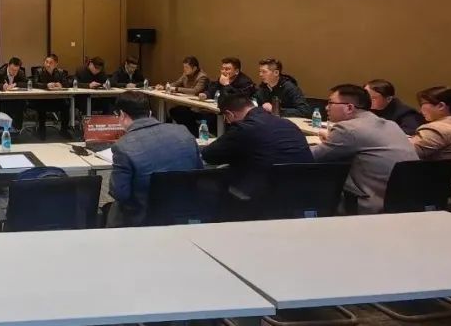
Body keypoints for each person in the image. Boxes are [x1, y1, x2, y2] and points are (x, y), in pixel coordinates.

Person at [312, 84, 418, 214]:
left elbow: (312, 156)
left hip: (369, 204)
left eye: (330, 103)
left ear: (349, 107)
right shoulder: (391, 125)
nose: (326, 107)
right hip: (407, 202)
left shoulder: (348, 129)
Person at [202, 89, 313, 205]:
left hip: (268, 198)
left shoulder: (243, 128)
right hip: (306, 192)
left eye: (227, 118)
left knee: (211, 177)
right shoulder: (288, 123)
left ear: (230, 114)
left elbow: (209, 155)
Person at [108, 91, 202, 227]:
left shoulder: (122, 147)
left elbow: (119, 193)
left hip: (142, 219)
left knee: (113, 209)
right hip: (186, 213)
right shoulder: (183, 132)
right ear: (150, 113)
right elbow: (199, 172)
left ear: (122, 115)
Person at [156, 56, 209, 136]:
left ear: (194, 68)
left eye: (187, 67)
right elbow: (176, 83)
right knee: (174, 111)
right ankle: (187, 133)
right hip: (189, 105)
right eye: (184, 67)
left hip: (199, 108)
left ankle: (194, 134)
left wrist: (177, 89)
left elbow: (195, 91)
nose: (184, 69)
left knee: (181, 113)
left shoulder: (202, 77)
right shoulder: (185, 75)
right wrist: (164, 87)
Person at [32, 53, 72, 140]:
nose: (48, 64)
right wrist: (46, 85)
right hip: (43, 99)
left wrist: (61, 85)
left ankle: (64, 130)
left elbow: (68, 84)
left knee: (66, 105)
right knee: (41, 105)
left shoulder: (61, 72)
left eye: (51, 63)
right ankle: (41, 129)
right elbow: (34, 84)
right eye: (46, 62)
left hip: (57, 100)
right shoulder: (38, 71)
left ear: (56, 64)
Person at [0, 57, 28, 132]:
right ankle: (3, 130)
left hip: (15, 99)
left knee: (21, 103)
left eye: (16, 70)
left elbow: (27, 83)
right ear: (8, 66)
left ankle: (17, 130)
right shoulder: (0, 72)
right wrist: (2, 86)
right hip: (2, 100)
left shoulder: (20, 73)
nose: (14, 72)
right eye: (12, 69)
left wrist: (16, 84)